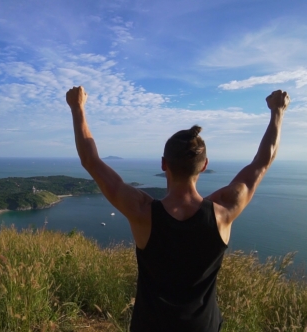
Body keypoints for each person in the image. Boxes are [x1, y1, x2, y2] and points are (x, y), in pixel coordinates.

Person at [66, 86, 289, 332]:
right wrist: (277, 112)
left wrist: (78, 108)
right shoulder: (223, 212)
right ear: (204, 166)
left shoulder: (143, 212)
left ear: (164, 164)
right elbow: (262, 162)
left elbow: (91, 161)